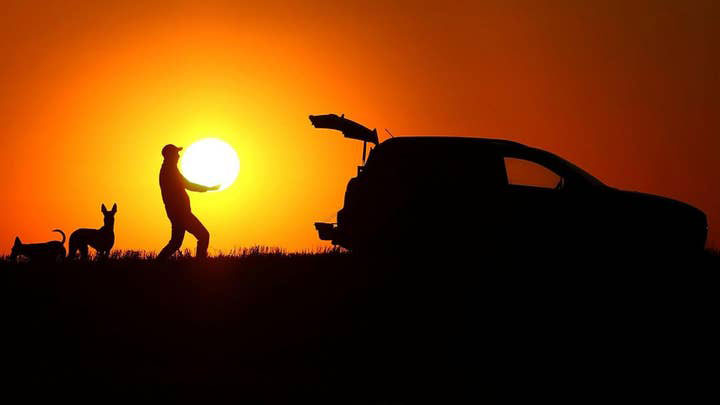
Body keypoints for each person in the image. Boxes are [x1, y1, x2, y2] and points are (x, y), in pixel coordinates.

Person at [157, 144, 219, 260]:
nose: (178, 156)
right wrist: (209, 188)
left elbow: (185, 184)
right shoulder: (169, 171)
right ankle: (200, 265)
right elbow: (188, 185)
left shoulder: (170, 169)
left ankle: (156, 264)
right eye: (176, 153)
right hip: (181, 213)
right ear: (170, 156)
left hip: (177, 213)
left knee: (175, 243)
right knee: (203, 236)